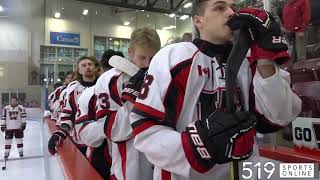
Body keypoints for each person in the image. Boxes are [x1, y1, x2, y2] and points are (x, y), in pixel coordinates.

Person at [129, 1, 302, 180]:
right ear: (198, 21)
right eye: (219, 7)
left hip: (245, 168)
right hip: (188, 174)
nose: (230, 13)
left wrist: (265, 57)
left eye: (233, 8)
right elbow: (145, 131)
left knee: (308, 174)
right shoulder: (174, 57)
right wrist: (199, 144)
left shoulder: (248, 60)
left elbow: (280, 116)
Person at [81, 27, 161, 180]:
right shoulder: (110, 80)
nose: (147, 64)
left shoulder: (162, 75)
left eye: (152, 58)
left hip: (160, 164)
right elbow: (113, 131)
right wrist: (132, 98)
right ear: (130, 52)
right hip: (128, 170)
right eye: (142, 57)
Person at [74, 50, 122, 179]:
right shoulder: (83, 93)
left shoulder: (139, 86)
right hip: (101, 157)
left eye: (90, 64)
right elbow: (83, 131)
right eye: (84, 65)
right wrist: (114, 125)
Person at [48, 56, 99, 156]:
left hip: (103, 140)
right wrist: (60, 133)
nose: (88, 67)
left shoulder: (104, 84)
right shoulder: (73, 89)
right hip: (81, 140)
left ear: (95, 68)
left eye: (90, 64)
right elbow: (68, 114)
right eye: (84, 65)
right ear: (79, 71)